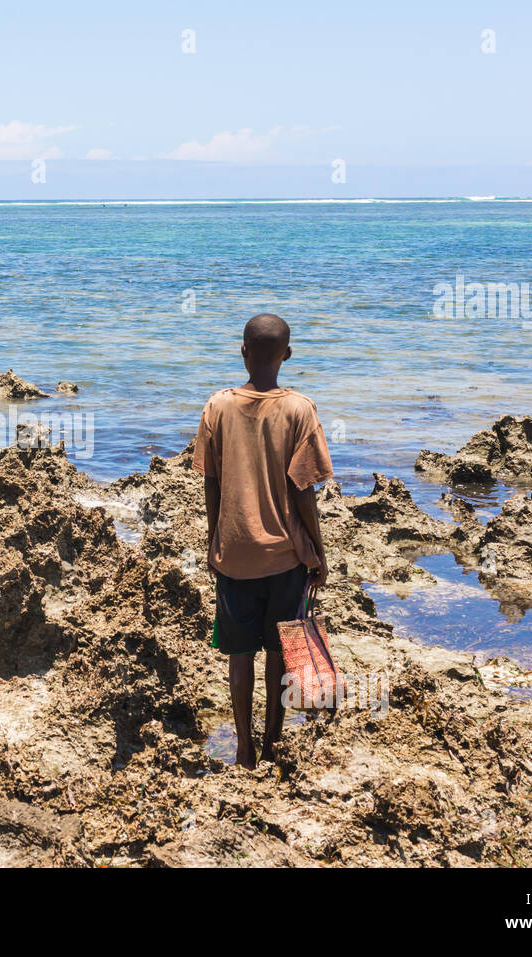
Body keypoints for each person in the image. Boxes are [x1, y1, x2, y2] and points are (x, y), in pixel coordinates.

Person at [192, 313, 333, 769]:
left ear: (243, 350)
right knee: (279, 652)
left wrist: (216, 537)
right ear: (287, 356)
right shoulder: (300, 410)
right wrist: (318, 549)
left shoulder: (217, 407)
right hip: (285, 558)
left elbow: (211, 483)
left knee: (239, 655)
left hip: (234, 555)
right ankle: (272, 740)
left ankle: (243, 748)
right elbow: (303, 490)